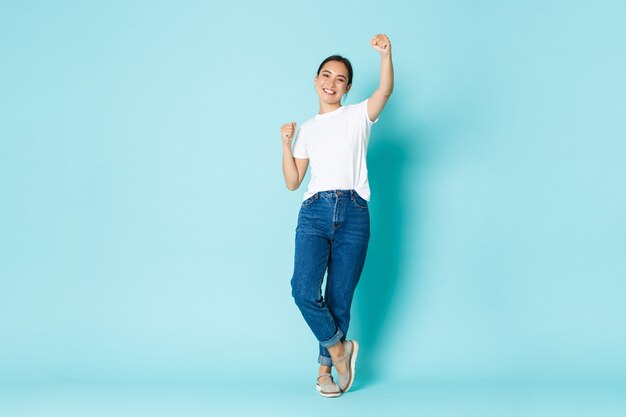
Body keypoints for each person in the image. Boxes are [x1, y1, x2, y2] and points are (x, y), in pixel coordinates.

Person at [280, 34, 394, 397]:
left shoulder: (358, 115)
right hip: (315, 211)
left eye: (340, 79)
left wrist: (386, 55)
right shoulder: (308, 130)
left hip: (355, 213)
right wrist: (285, 145)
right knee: (303, 291)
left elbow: (386, 91)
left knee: (338, 297)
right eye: (326, 76)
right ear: (316, 81)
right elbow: (293, 181)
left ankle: (325, 372)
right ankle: (339, 348)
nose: (332, 83)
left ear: (347, 88)